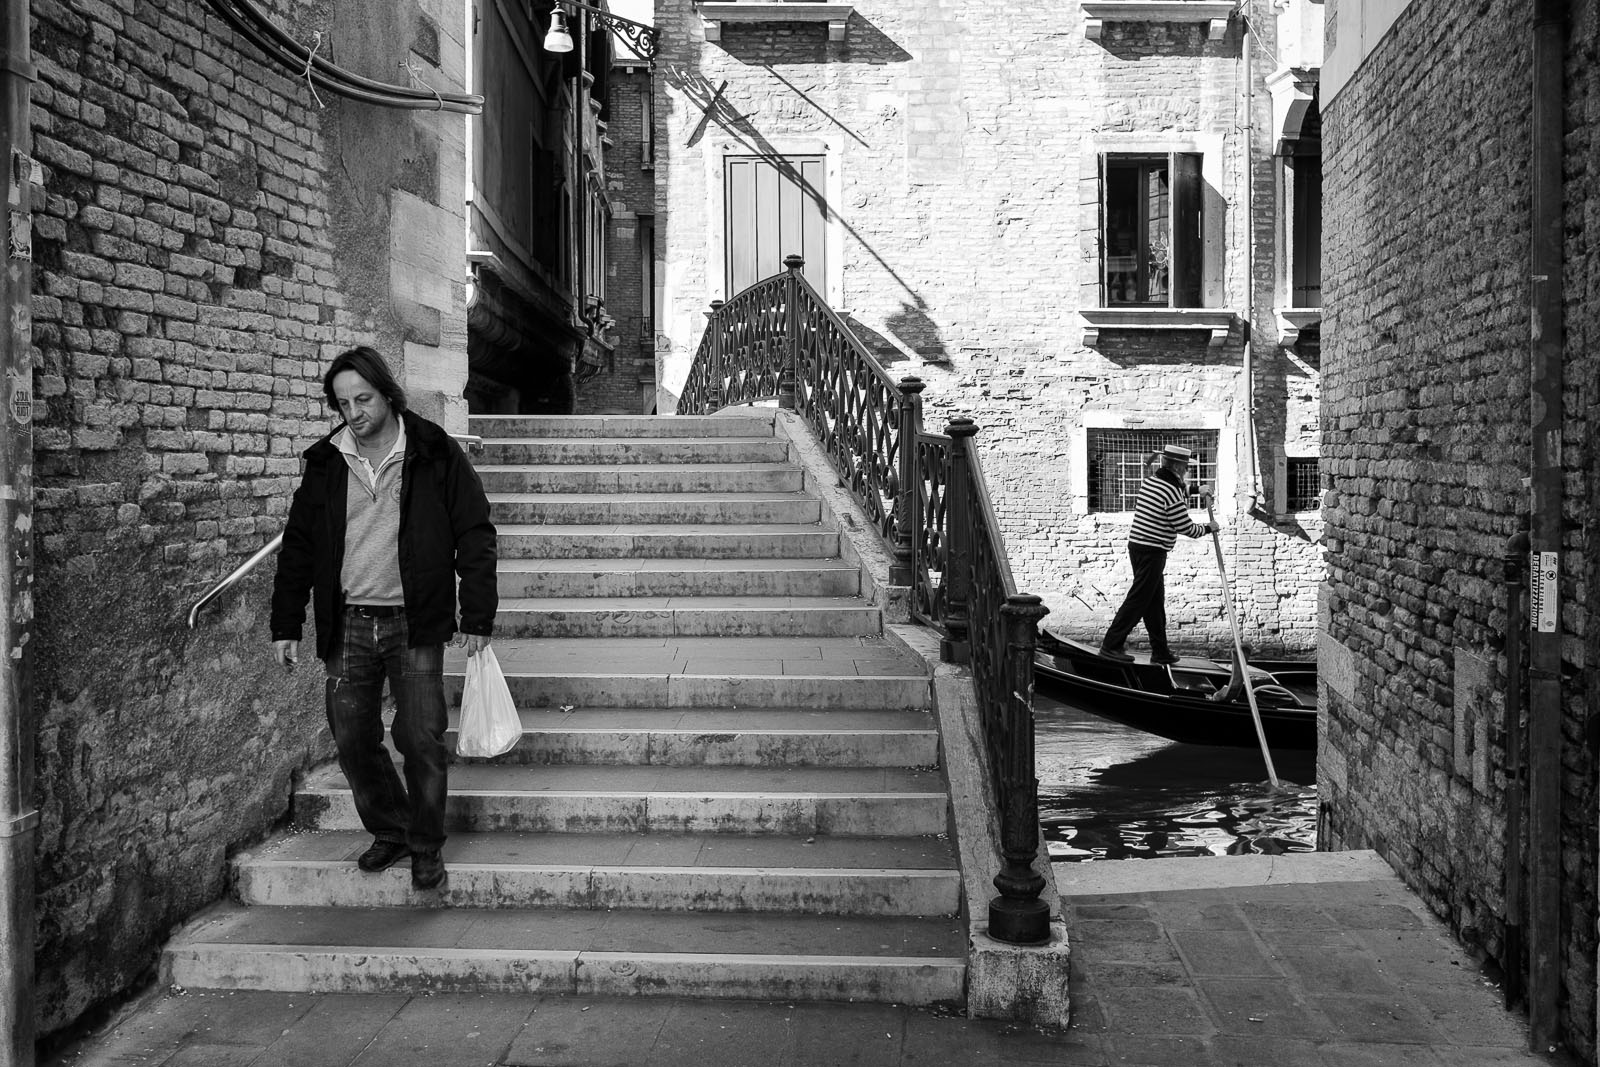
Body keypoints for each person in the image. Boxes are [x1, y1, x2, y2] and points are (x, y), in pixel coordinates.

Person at [270, 347, 497, 891]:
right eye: (343, 402)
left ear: (387, 393)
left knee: (420, 736)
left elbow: (474, 532)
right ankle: (391, 828)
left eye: (363, 398)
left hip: (414, 620)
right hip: (347, 620)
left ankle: (425, 845)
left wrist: (478, 613)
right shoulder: (327, 461)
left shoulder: (434, 451)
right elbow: (299, 544)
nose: (354, 411)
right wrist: (285, 621)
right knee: (351, 736)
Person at [1098, 444, 1215, 665]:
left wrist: (1196, 490)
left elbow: (1178, 491)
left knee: (1153, 602)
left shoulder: (1153, 481)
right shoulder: (1170, 490)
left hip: (1139, 546)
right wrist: (1210, 527)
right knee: (1139, 600)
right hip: (1152, 550)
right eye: (1186, 467)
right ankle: (1111, 645)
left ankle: (1160, 652)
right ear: (1178, 466)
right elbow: (1186, 527)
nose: (1187, 471)